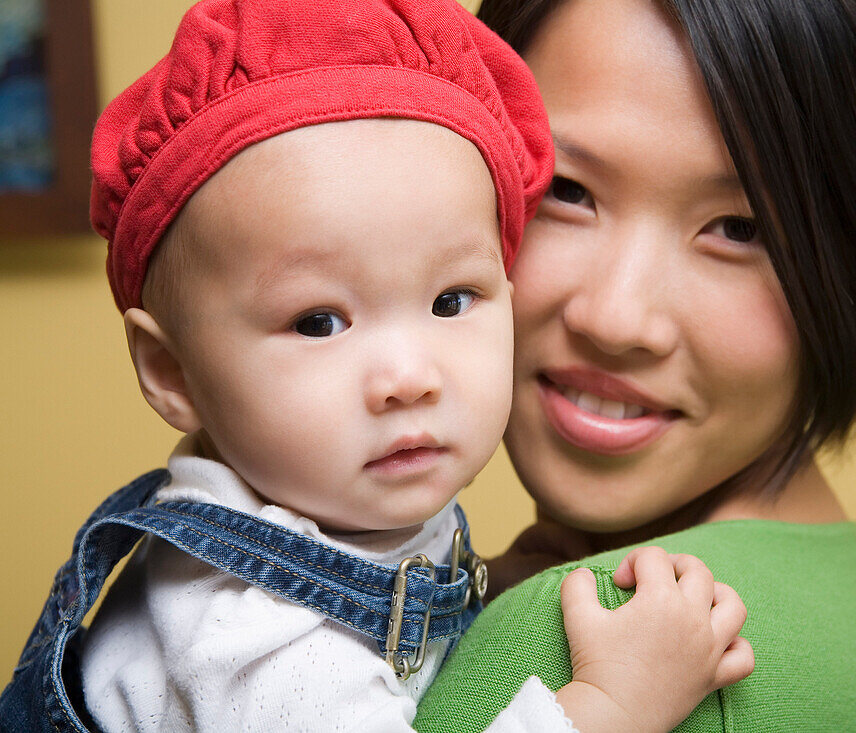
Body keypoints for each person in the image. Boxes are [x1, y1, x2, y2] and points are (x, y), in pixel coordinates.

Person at [0, 1, 755, 731]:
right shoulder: (260, 644)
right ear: (171, 373)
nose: (410, 375)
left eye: (453, 299)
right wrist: (614, 705)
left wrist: (498, 579)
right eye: (319, 321)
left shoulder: (331, 503)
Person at [414, 0, 856, 730]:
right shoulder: (825, 580)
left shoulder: (606, 647)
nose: (616, 317)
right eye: (568, 190)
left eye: (739, 230)